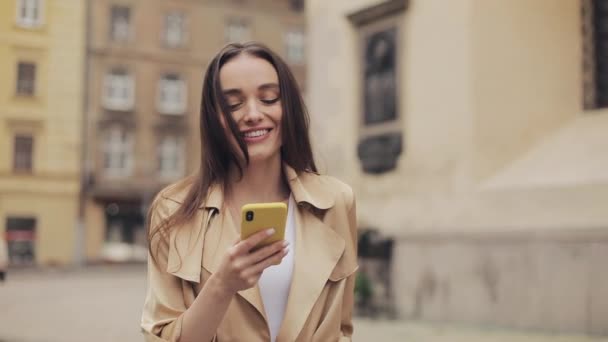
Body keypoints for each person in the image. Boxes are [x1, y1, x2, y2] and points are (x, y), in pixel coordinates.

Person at [141, 42, 358, 342]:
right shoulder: (173, 209)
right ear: (214, 118)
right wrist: (222, 285)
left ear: (289, 107)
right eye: (233, 104)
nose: (253, 114)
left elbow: (342, 329)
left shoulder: (336, 201)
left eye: (269, 98)